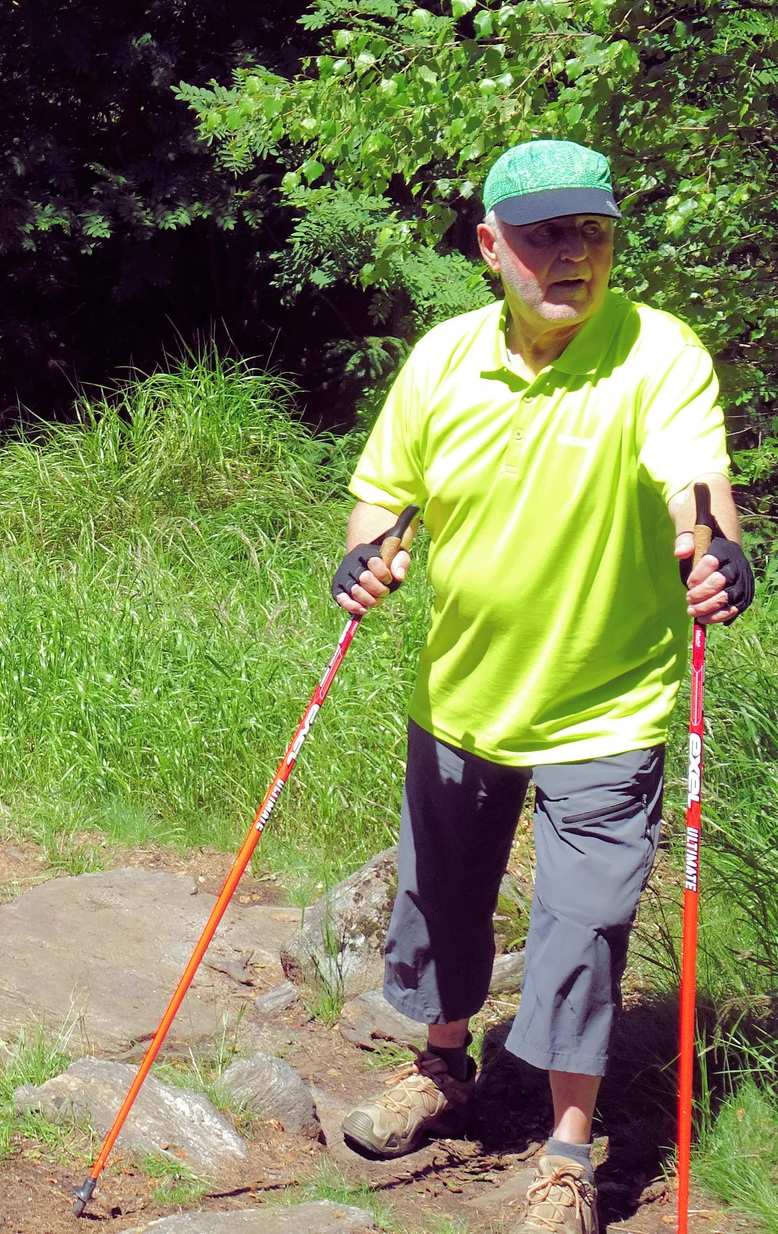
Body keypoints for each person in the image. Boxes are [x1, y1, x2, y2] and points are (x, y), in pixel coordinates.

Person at [330, 140, 756, 1233]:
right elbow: (386, 487)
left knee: (581, 922)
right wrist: (370, 551)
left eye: (594, 232)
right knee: (441, 902)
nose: (575, 255)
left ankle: (567, 1155)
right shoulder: (442, 360)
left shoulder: (658, 353)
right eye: (546, 235)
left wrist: (711, 546)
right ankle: (443, 1063)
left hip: (607, 704)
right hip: (462, 696)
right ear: (490, 247)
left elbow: (692, 477)